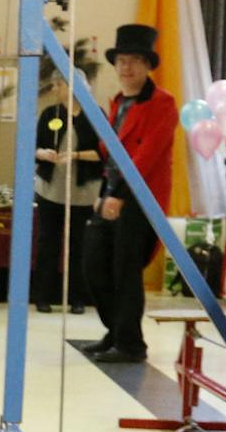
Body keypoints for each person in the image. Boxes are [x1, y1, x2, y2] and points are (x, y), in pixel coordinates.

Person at [82, 24, 179, 363]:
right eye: (122, 60)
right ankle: (117, 330)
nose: (127, 68)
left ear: (148, 65)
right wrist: (103, 192)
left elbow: (145, 156)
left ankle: (130, 343)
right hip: (112, 193)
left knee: (125, 268)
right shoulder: (118, 103)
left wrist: (118, 195)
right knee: (94, 264)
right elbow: (110, 155)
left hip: (140, 198)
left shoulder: (163, 104)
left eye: (135, 60)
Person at [31, 60, 99, 314]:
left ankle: (77, 298)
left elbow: (104, 153)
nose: (53, 89)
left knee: (79, 245)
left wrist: (76, 155)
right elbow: (33, 147)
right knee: (48, 243)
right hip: (51, 190)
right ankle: (42, 296)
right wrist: (43, 153)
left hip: (84, 192)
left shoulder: (96, 115)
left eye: (57, 85)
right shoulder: (50, 114)